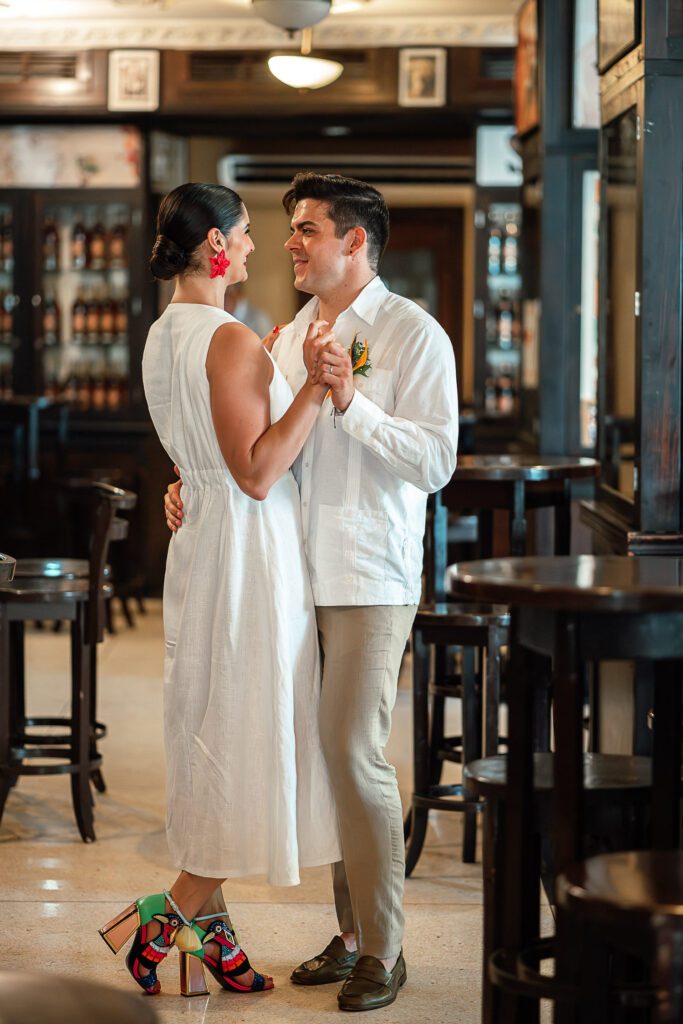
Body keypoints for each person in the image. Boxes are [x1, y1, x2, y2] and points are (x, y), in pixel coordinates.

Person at [165, 172, 459, 1012]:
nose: (289, 243)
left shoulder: (413, 335)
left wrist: (352, 402)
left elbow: (436, 462)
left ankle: (386, 950)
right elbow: (247, 443)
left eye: (305, 229)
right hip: (287, 575)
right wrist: (185, 481)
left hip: (368, 575)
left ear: (354, 241)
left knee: (352, 753)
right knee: (317, 759)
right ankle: (354, 933)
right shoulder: (286, 335)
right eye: (288, 230)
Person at [99, 182, 341, 1000]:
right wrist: (309, 383)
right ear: (213, 247)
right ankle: (160, 921)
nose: (253, 245)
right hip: (247, 550)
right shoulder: (229, 338)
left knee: (211, 725)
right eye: (241, 232)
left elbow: (200, 453)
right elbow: (260, 470)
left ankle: (215, 948)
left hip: (201, 539)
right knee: (242, 733)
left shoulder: (165, 333)